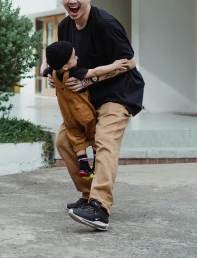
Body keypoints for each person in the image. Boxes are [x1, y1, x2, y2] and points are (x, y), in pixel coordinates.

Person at [41, 0, 145, 232]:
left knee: (105, 139)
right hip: (87, 99)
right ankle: (88, 196)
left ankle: (100, 207)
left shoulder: (106, 23)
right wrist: (54, 77)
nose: (72, 0)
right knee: (64, 141)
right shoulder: (65, 26)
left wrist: (89, 81)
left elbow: (129, 62)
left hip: (119, 93)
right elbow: (59, 59)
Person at [44, 41, 136, 182]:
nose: (77, 59)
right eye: (74, 58)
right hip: (84, 113)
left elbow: (42, 70)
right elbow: (96, 72)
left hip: (68, 117)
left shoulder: (53, 72)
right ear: (65, 66)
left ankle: (83, 166)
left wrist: (46, 59)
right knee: (94, 136)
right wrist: (114, 66)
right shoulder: (75, 73)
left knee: (77, 139)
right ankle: (95, 165)